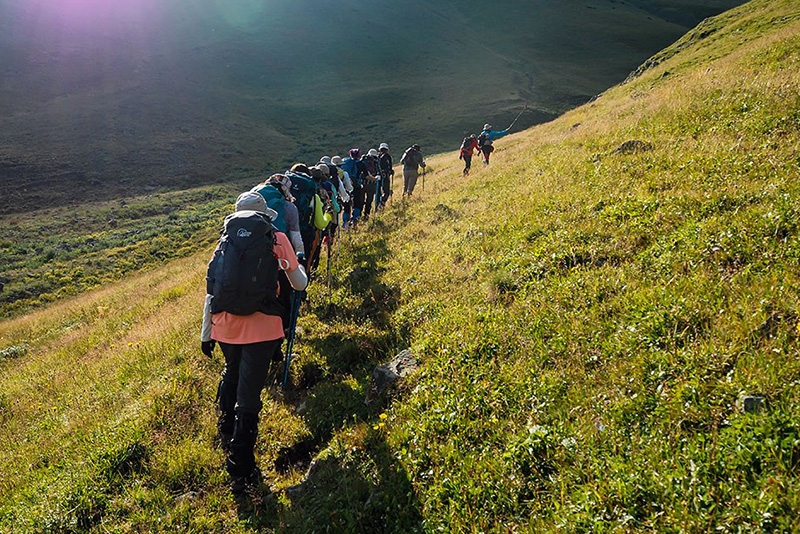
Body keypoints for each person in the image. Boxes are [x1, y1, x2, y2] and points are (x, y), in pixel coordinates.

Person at [201, 190, 308, 495]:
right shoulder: (274, 238)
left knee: (232, 371)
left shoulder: (226, 241)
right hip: (263, 327)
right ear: (264, 215)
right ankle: (240, 466)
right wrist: (299, 268)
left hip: (225, 326)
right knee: (249, 393)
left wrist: (206, 334)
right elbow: (298, 283)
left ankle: (225, 425)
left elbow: (213, 291)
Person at [377, 142, 393, 207]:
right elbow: (390, 167)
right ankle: (382, 203)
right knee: (386, 191)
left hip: (378, 176)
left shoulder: (378, 156)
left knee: (378, 191)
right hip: (385, 175)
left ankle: (378, 204)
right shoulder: (387, 156)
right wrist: (390, 171)